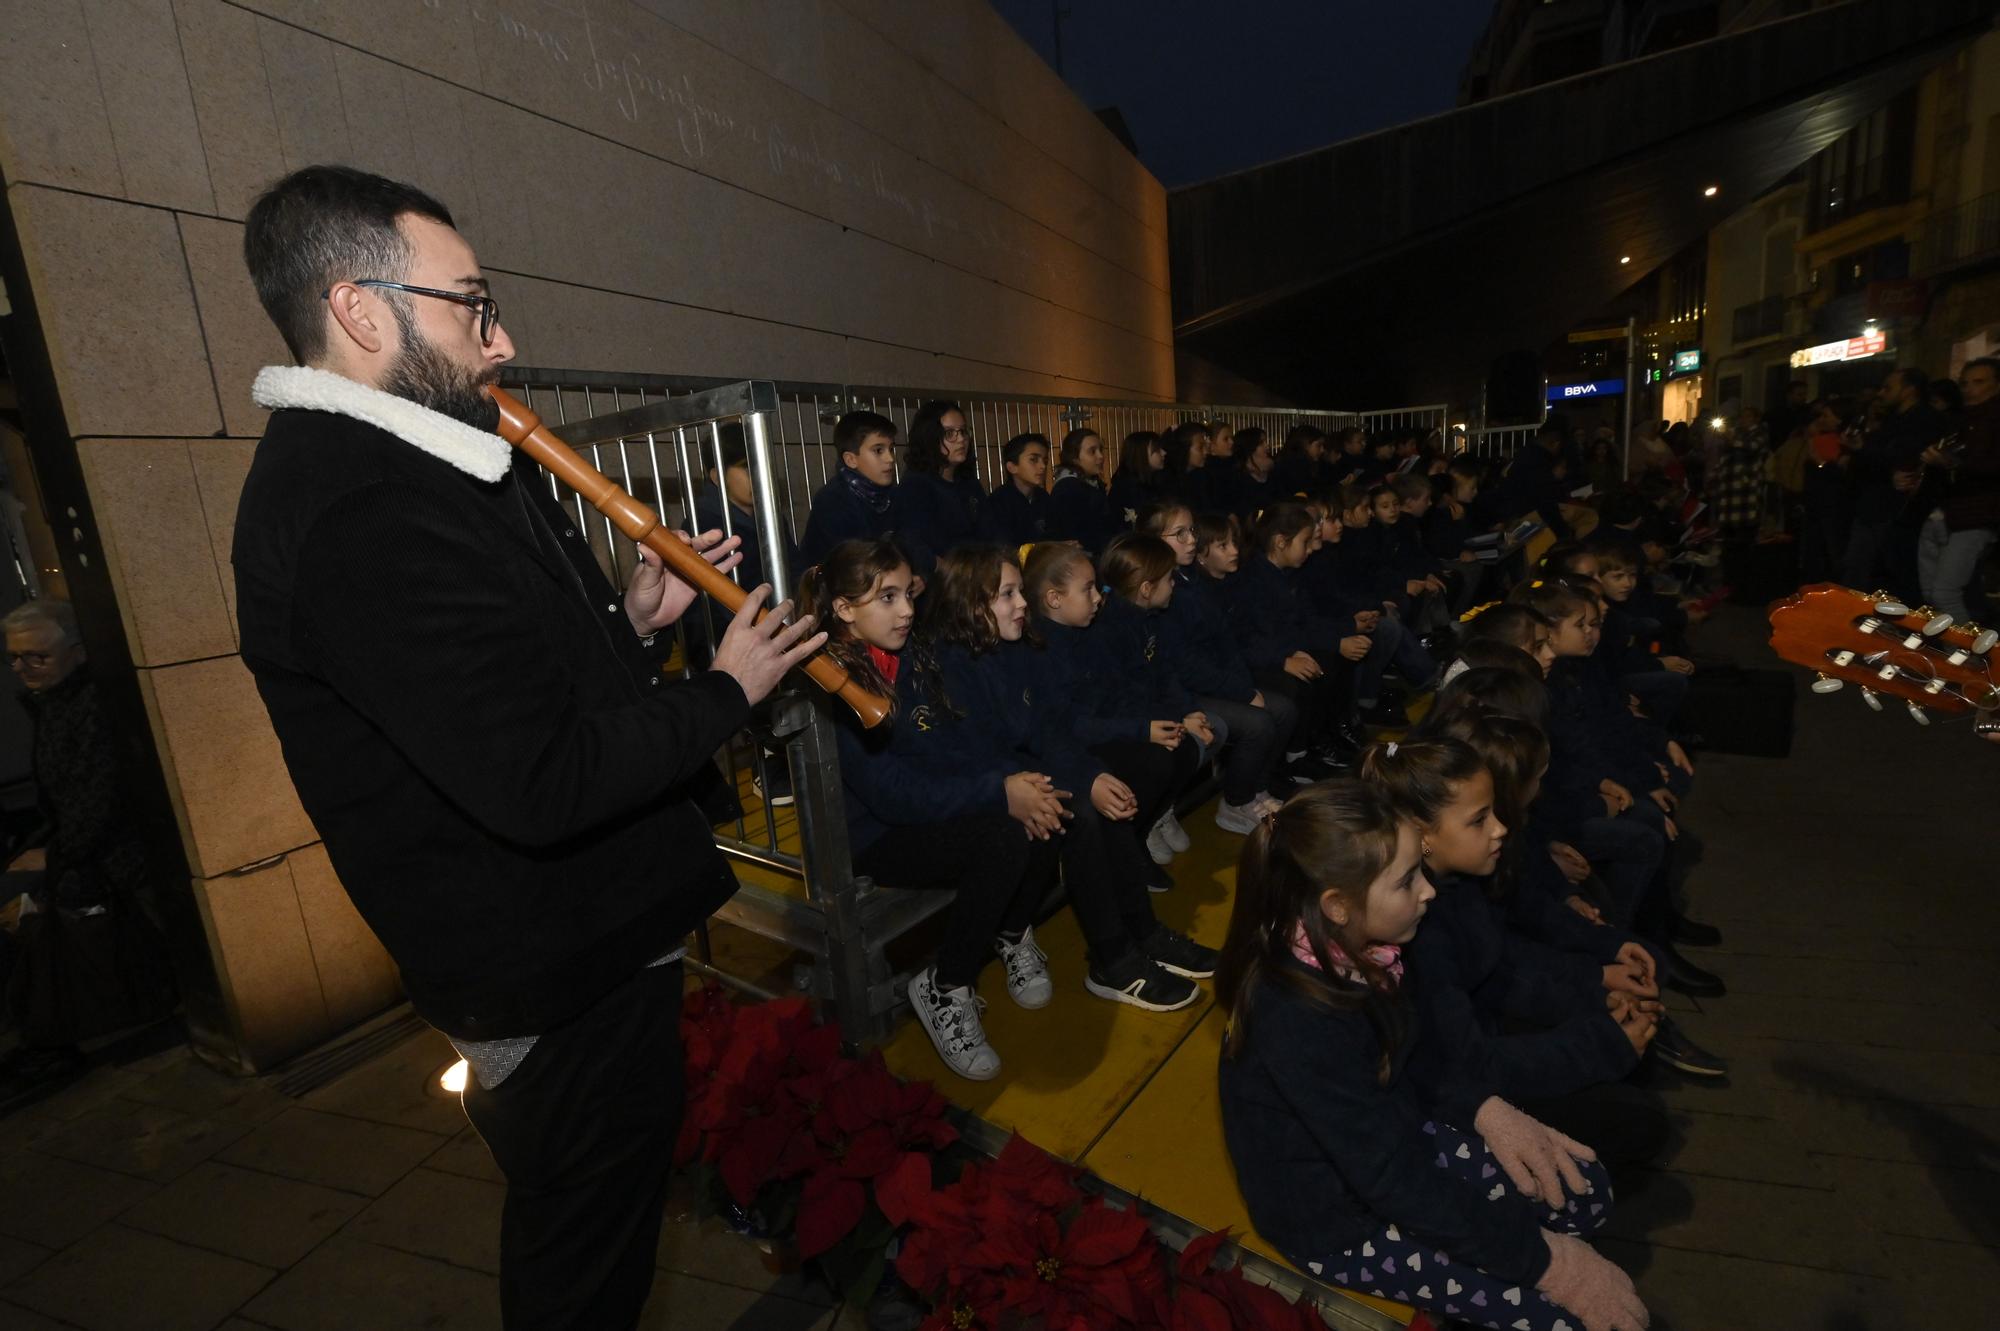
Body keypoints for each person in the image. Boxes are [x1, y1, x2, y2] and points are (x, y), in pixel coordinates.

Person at [232, 164, 826, 1329]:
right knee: (579, 1262)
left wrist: (636, 623)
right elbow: (539, 780)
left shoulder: (417, 457)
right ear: (361, 309)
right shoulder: (363, 507)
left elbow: (503, 691)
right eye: (472, 301)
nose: (505, 338)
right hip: (548, 971)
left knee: (592, 1228)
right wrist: (721, 689)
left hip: (581, 938)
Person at [1216, 781, 1650, 1331]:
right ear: (1338, 907)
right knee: (1563, 1318)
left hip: (1393, 1143)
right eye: (1406, 880)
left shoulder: (1367, 949)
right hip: (1341, 1223)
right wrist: (1546, 1265)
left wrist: (1485, 1111)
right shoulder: (1296, 1018)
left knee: (1584, 1192)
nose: (1428, 892)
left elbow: (1414, 1059)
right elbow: (1392, 1180)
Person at [919, 546, 1217, 1009]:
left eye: (1020, 591)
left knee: (1099, 794)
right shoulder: (950, 665)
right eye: (1008, 594)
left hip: (1019, 776)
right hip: (977, 793)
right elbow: (972, 755)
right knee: (1080, 815)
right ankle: (1112, 959)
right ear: (972, 605)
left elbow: (1047, 727)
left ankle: (1144, 934)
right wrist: (1055, 782)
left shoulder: (1010, 649)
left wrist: (1092, 775)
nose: (1022, 604)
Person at [805, 540, 1056, 1081]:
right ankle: (945, 985)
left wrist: (1010, 783)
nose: (907, 610)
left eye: (906, 593)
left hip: (921, 807)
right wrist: (995, 793)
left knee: (1043, 805)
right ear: (845, 609)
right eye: (886, 597)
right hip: (874, 835)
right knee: (1004, 836)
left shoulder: (908, 654)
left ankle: (1013, 933)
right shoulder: (835, 679)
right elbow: (891, 794)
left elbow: (946, 749)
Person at [1, 600, 176, 1106]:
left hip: (112, 854)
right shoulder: (54, 701)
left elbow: (99, 798)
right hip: (88, 849)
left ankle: (51, 1036)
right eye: (14, 658)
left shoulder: (90, 705)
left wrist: (51, 858)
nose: (22, 667)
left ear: (76, 652)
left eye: (35, 656)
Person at [1918, 357, 2000, 623]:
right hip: (1949, 511)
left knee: (1944, 593)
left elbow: (1987, 466)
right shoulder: (1961, 419)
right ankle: (1955, 654)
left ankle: (1972, 657)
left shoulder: (1991, 417)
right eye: (1965, 383)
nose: (1969, 389)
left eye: (1979, 382)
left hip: (1978, 514)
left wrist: (1952, 463)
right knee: (1933, 592)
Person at [799, 410, 907, 569]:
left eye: (891, 449)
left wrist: (918, 573)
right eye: (878, 450)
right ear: (850, 459)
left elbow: (910, 542)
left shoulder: (893, 494)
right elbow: (853, 565)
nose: (890, 459)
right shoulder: (832, 501)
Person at [898, 400, 985, 573]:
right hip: (944, 584)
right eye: (949, 433)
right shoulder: (915, 486)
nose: (961, 439)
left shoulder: (969, 483)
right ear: (929, 437)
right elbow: (915, 545)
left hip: (979, 574)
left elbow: (990, 531)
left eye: (963, 431)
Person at [1046, 427, 1117, 554]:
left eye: (1101, 450)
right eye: (1092, 451)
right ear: (1074, 457)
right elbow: (1081, 536)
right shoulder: (1069, 489)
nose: (1101, 456)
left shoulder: (1089, 483)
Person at [978, 432, 1053, 547]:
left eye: (1045, 461)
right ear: (1012, 467)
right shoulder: (999, 502)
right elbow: (1003, 548)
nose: (1042, 466)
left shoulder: (1043, 497)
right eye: (1033, 460)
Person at [1109, 430, 1166, 526]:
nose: (1163, 452)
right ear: (1140, 453)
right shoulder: (1125, 488)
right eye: (1156, 449)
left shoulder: (1154, 481)